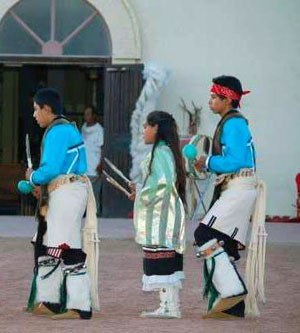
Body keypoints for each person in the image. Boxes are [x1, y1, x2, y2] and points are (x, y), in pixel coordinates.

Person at [193, 75, 265, 319]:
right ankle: (233, 308)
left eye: (215, 97)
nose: (210, 100)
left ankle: (232, 292)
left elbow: (236, 160)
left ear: (228, 99)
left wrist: (208, 161)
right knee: (223, 243)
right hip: (236, 187)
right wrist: (208, 164)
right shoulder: (231, 122)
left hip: (239, 187)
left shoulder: (234, 124)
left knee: (203, 234)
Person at [25, 88, 99, 320]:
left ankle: (79, 306)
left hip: (67, 192)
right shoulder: (65, 129)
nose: (35, 115)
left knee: (67, 246)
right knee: (53, 246)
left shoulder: (58, 131)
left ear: (48, 109)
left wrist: (32, 176)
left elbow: (52, 169)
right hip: (66, 191)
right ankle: (51, 301)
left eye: (37, 110)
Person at [131, 111, 186, 319]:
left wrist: (140, 194)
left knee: (162, 259)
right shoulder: (166, 150)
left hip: (162, 216)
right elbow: (158, 182)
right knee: (166, 259)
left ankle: (169, 307)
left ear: (156, 128)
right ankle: (170, 305)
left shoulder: (161, 152)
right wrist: (139, 188)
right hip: (165, 213)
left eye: (146, 126)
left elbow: (161, 184)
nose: (144, 130)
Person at [81, 106, 104, 216]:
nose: (86, 117)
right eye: (85, 114)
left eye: (88, 114)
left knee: (94, 196)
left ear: (94, 115)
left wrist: (101, 164)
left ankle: (96, 219)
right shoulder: (84, 127)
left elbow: (103, 147)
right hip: (84, 168)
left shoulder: (99, 130)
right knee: (83, 196)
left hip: (94, 167)